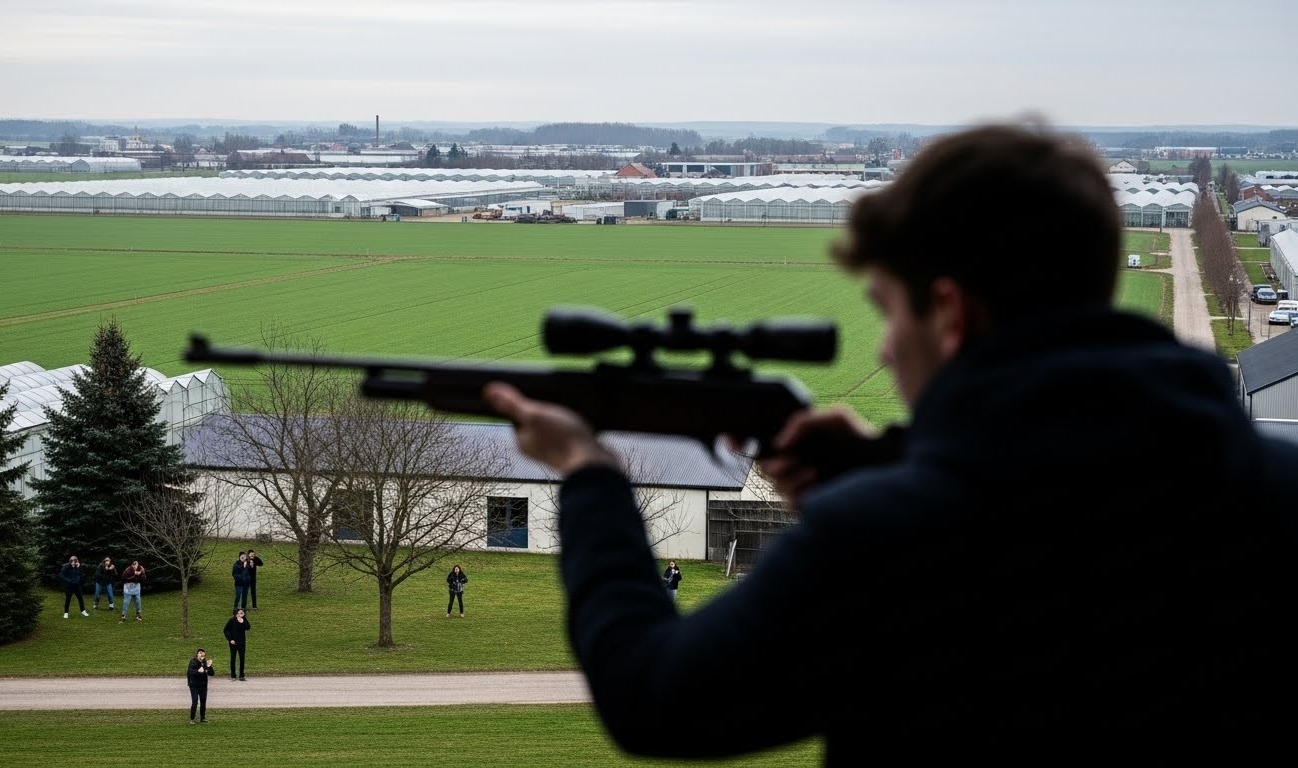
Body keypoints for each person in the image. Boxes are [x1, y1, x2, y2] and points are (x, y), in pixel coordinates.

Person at [482, 121, 1298, 758]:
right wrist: (894, 469)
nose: (880, 346)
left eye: (889, 312)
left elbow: (651, 697)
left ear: (950, 314)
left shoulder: (890, 541)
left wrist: (587, 475)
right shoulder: (1271, 485)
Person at [222, 608, 252, 681]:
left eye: (242, 613)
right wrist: (230, 639)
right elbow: (226, 630)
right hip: (233, 642)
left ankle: (241, 675)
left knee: (242, 658)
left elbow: (248, 627)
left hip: (242, 642)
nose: (240, 614)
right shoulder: (232, 620)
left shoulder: (244, 620)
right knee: (233, 658)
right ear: (236, 613)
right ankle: (233, 675)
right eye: (239, 613)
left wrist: (243, 622)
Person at [186, 648, 215, 724]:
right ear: (197, 655)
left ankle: (203, 717)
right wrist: (205, 666)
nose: (201, 654)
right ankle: (192, 719)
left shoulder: (205, 663)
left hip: (203, 685)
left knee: (203, 702)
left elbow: (211, 673)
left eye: (203, 653)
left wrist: (210, 666)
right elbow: (194, 672)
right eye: (199, 653)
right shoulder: (193, 662)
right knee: (195, 702)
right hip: (194, 685)